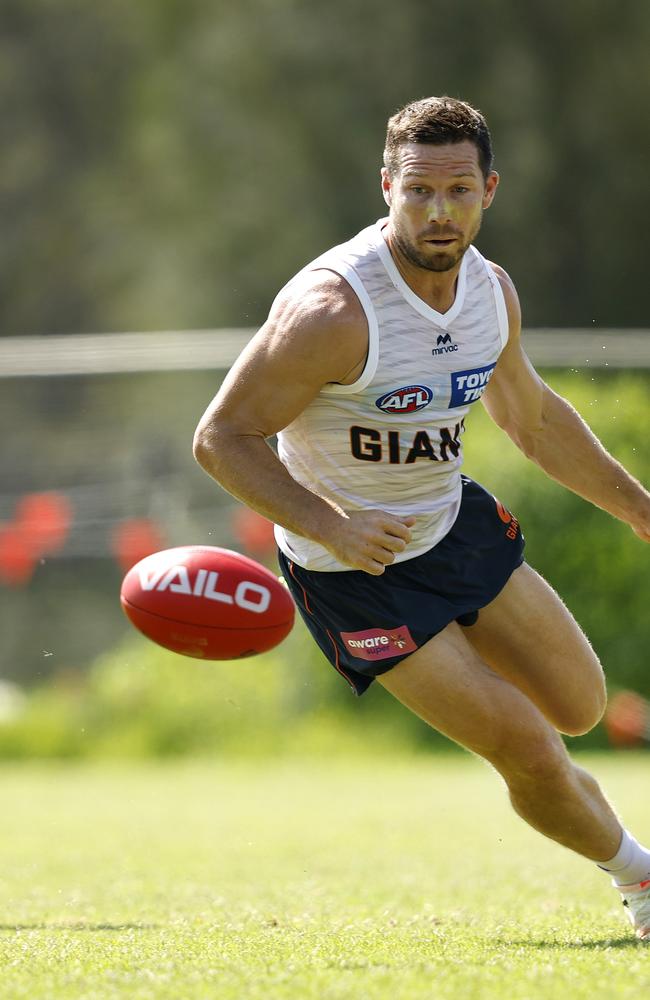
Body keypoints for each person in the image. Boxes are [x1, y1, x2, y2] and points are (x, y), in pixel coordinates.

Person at [193, 96, 650, 940]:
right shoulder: (333, 312)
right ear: (387, 190)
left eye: (459, 190)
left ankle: (539, 752)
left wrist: (638, 508)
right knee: (524, 742)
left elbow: (534, 419)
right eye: (418, 191)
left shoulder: (490, 293)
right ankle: (641, 880)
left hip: (452, 524)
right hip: (352, 573)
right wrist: (331, 524)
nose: (439, 211)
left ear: (489, 191)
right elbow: (222, 438)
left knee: (580, 705)